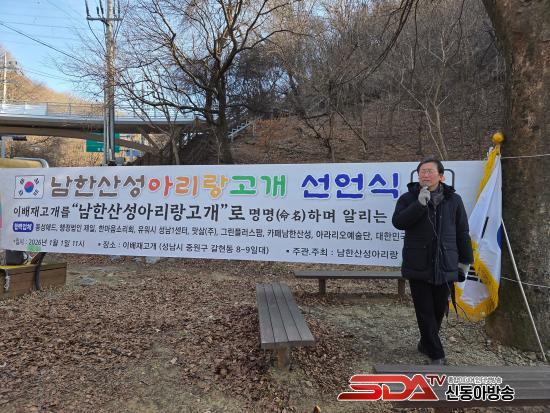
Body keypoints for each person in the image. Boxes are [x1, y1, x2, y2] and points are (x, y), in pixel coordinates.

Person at [392, 158, 473, 365]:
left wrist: (465, 261)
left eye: (429, 171)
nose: (425, 175)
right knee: (424, 311)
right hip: (418, 263)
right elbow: (398, 222)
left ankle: (426, 343)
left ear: (441, 176)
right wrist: (419, 204)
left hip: (446, 263)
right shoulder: (408, 198)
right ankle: (437, 354)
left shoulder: (454, 200)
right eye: (422, 171)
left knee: (438, 310)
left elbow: (462, 231)